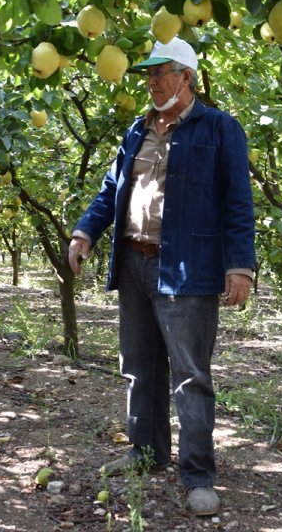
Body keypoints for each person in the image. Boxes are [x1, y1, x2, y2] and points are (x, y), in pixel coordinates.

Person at [67, 37, 255, 517]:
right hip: (135, 261)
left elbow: (238, 201)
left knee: (190, 374)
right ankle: (145, 452)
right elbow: (112, 189)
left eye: (159, 73)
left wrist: (239, 265)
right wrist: (86, 231)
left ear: (186, 77)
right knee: (138, 365)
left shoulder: (219, 128)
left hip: (187, 267)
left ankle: (197, 473)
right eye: (148, 74)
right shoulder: (137, 130)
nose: (151, 82)